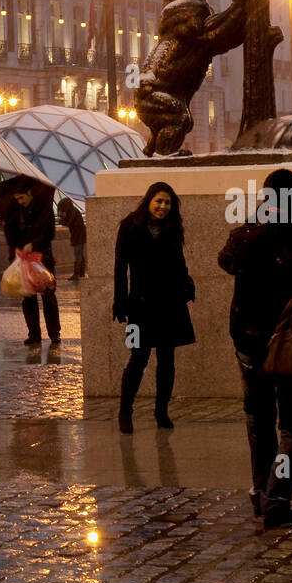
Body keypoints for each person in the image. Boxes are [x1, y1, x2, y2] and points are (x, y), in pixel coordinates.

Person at [218, 168, 292, 528]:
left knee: (258, 419)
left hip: (248, 338)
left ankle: (261, 492)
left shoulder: (246, 233)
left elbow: (225, 261)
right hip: (285, 344)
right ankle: (277, 496)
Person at [113, 181, 195, 432]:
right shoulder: (130, 226)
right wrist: (120, 300)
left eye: (167, 203)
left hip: (170, 303)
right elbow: (120, 266)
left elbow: (179, 262)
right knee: (138, 358)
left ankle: (161, 410)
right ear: (149, 200)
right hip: (140, 304)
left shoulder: (172, 228)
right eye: (159, 201)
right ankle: (125, 411)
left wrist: (187, 285)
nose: (162, 206)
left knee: (167, 360)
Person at [0, 182, 60, 347]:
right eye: (17, 198)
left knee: (48, 296)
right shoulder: (15, 213)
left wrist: (34, 244)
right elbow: (11, 235)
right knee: (27, 296)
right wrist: (16, 248)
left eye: (22, 197)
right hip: (24, 260)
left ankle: (54, 334)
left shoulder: (44, 210)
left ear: (30, 194)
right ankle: (34, 334)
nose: (20, 201)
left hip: (43, 259)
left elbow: (49, 233)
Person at [57, 198, 87, 281]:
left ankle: (77, 274)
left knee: (78, 254)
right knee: (79, 254)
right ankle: (81, 273)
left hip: (78, 235)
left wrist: (61, 219)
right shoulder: (73, 210)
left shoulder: (73, 212)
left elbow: (68, 223)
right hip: (78, 234)